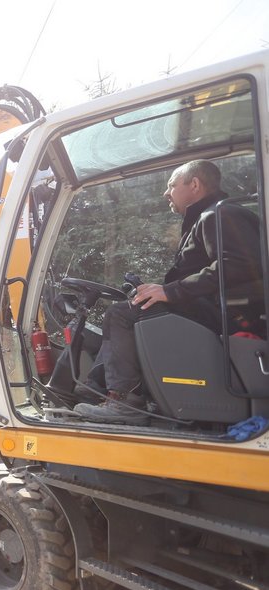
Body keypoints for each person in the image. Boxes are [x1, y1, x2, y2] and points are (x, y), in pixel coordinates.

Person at [75, 160, 262, 424]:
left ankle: (124, 402)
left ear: (194, 185)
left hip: (226, 313)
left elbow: (240, 264)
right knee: (135, 304)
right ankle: (98, 386)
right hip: (214, 306)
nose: (166, 193)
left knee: (120, 314)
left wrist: (170, 292)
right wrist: (162, 290)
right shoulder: (208, 217)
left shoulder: (219, 215)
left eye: (171, 185)